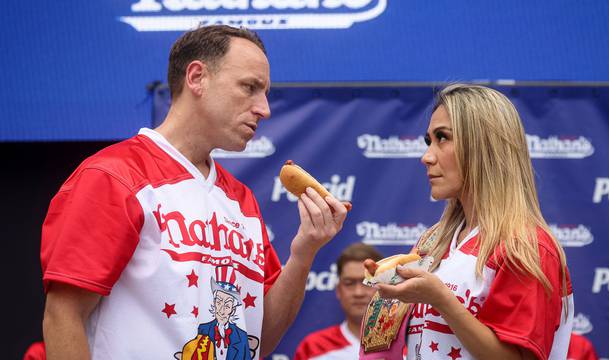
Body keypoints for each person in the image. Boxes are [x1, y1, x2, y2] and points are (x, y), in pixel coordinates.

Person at [40, 25, 348, 360]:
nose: (264, 108)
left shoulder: (241, 200)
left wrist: (304, 253)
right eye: (249, 87)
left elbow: (259, 338)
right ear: (197, 77)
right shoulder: (114, 176)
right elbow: (63, 316)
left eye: (265, 93)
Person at [374, 84, 574, 359]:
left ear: (483, 144)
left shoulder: (526, 245)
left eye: (442, 138)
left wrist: (440, 298)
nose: (427, 156)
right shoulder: (433, 241)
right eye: (428, 141)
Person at [294, 243, 383, 360]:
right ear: (338, 290)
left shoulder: (407, 344)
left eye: (367, 283)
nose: (358, 293)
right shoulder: (313, 348)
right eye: (349, 283)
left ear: (383, 288)